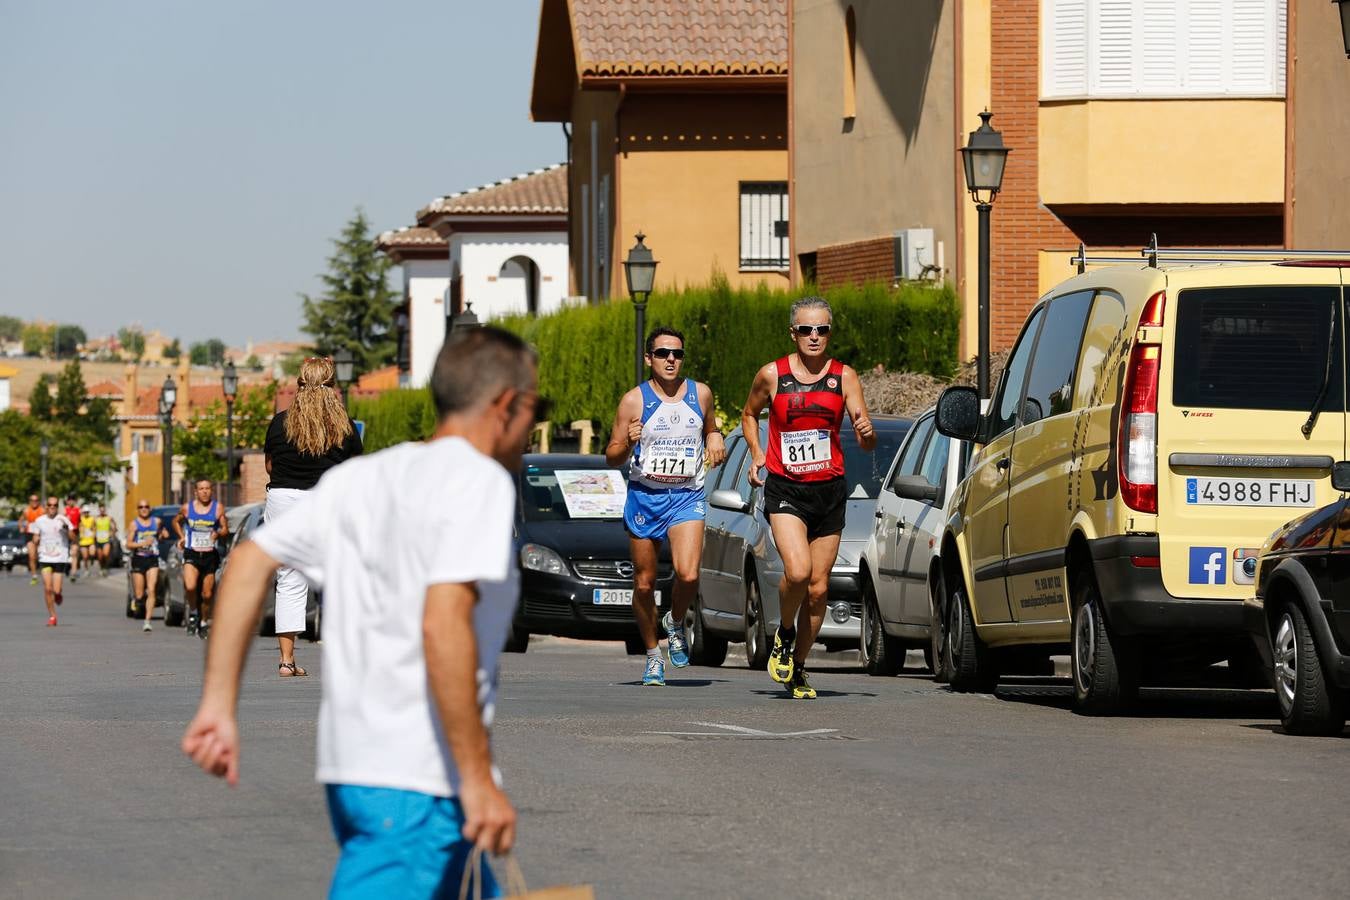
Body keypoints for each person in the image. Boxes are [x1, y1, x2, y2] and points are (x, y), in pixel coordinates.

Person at [182, 327, 537, 898]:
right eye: (535, 407)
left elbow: (248, 563)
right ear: (504, 405)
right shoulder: (478, 482)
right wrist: (475, 778)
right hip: (419, 783)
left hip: (357, 773)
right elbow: (442, 622)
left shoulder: (363, 481)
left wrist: (219, 705)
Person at [741, 296, 875, 700]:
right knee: (797, 572)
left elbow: (864, 438)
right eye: (806, 330)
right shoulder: (772, 374)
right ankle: (783, 633)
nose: (814, 337)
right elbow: (749, 415)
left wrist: (865, 433)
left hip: (830, 491)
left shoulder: (845, 376)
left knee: (818, 589)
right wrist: (757, 452)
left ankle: (797, 666)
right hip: (785, 488)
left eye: (822, 330)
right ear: (793, 333)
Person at [604, 327, 725, 686]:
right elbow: (611, 456)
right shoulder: (633, 401)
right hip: (645, 496)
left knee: (688, 574)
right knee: (644, 584)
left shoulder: (700, 393)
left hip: (687, 495)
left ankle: (674, 622)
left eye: (677, 354)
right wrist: (627, 442)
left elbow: (710, 427)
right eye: (662, 353)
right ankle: (653, 655)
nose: (671, 359)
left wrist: (715, 436)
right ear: (649, 358)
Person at [263, 356, 364, 677]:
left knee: (289, 578)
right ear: (333, 386)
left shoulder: (280, 422)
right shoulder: (343, 424)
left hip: (282, 500)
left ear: (299, 384)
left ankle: (286, 661)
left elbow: (269, 467)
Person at [175, 479, 228, 639]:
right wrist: (182, 537)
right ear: (195, 492)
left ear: (211, 491)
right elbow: (175, 522)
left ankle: (204, 621)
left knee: (207, 593)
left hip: (209, 555)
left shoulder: (218, 508)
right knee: (190, 586)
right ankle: (193, 613)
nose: (204, 491)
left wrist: (218, 533)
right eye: (201, 489)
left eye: (207, 488)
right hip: (192, 552)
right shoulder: (187, 508)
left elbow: (225, 528)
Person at [28, 497, 74, 626]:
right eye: (50, 505)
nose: (52, 507)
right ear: (46, 506)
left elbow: (73, 538)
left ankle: (58, 594)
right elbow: (35, 537)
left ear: (57, 506)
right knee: (48, 589)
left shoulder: (64, 520)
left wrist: (66, 528)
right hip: (45, 558)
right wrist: (35, 540)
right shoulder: (39, 521)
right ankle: (52, 616)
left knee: (57, 590)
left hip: (60, 558)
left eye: (55, 505)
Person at [128, 501, 162, 632]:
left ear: (150, 508)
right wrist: (142, 543)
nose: (144, 509)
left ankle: (147, 621)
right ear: (137, 509)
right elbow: (129, 544)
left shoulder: (157, 521)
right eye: (141, 507)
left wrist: (163, 535)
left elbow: (161, 533)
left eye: (146, 507)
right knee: (140, 594)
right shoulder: (134, 524)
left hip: (153, 559)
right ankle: (135, 600)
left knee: (152, 589)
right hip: (139, 559)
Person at [22, 494, 43, 585]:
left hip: (40, 534)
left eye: (36, 500)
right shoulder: (26, 511)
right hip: (29, 534)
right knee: (31, 555)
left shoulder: (42, 510)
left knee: (39, 554)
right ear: (29, 501)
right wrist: (21, 527)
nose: (34, 502)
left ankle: (42, 570)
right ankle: (34, 575)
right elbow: (21, 520)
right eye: (32, 500)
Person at [94, 504, 117, 576]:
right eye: (101, 510)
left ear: (105, 510)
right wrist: (94, 533)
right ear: (99, 510)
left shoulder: (109, 518)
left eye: (103, 510)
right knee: (100, 557)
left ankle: (106, 567)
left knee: (106, 554)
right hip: (98, 540)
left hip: (106, 539)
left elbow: (114, 526)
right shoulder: (95, 519)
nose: (102, 511)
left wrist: (112, 532)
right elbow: (92, 527)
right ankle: (102, 567)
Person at [63, 497, 81, 580]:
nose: (71, 502)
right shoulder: (64, 510)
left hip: (75, 533)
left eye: (72, 500)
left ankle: (73, 573)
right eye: (69, 500)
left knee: (74, 552)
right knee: (66, 554)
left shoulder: (78, 510)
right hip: (66, 534)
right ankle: (67, 567)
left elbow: (81, 522)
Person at [78, 506, 97, 573]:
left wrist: (94, 534)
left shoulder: (92, 519)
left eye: (87, 512)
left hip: (90, 540)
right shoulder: (80, 519)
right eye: (85, 512)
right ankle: (86, 569)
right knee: (85, 557)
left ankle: (92, 560)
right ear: (83, 512)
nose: (86, 513)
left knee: (92, 553)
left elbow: (95, 527)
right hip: (83, 541)